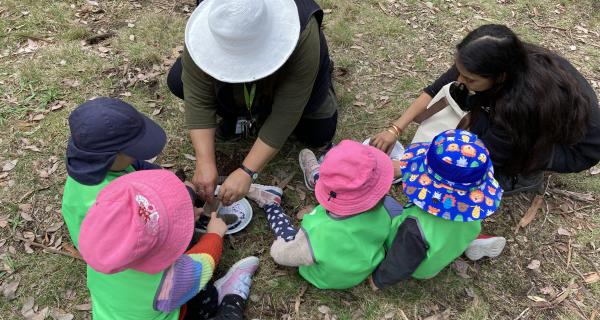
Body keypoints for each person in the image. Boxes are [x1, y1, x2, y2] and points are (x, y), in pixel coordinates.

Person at [370, 24, 600, 196]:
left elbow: (481, 155)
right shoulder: (493, 57)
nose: (460, 80)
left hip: (576, 148)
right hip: (547, 124)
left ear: (500, 77)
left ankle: (523, 177)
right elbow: (434, 89)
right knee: (476, 124)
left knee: (474, 160)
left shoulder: (518, 108)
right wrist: (395, 129)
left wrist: (405, 166)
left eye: (469, 79)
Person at [167, 0, 338, 207]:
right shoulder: (207, 20)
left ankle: (313, 82)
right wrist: (204, 161)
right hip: (242, 87)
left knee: (319, 133)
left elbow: (288, 109)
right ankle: (243, 113)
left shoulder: (301, 28)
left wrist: (248, 171)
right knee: (178, 80)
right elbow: (198, 95)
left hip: (291, 78)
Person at [78, 170, 260, 320]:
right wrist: (214, 234)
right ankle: (230, 297)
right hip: (171, 304)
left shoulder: (100, 260)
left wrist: (182, 215)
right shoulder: (167, 280)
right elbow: (204, 263)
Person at [247, 140, 397, 289]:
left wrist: (276, 249)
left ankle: (271, 203)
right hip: (364, 265)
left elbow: (283, 256)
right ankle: (318, 178)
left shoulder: (319, 231)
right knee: (341, 191)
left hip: (326, 277)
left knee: (289, 237)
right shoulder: (384, 210)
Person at [371, 130, 504, 289]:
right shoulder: (474, 207)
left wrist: (378, 280)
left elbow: (400, 262)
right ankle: (468, 244)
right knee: (449, 234)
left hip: (420, 268)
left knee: (386, 204)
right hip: (446, 250)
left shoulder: (414, 227)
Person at [61, 97, 166, 248]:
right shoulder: (110, 200)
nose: (136, 156)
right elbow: (150, 223)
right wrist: (186, 196)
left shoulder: (88, 161)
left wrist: (164, 177)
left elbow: (136, 164)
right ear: (112, 157)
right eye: (133, 151)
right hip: (111, 250)